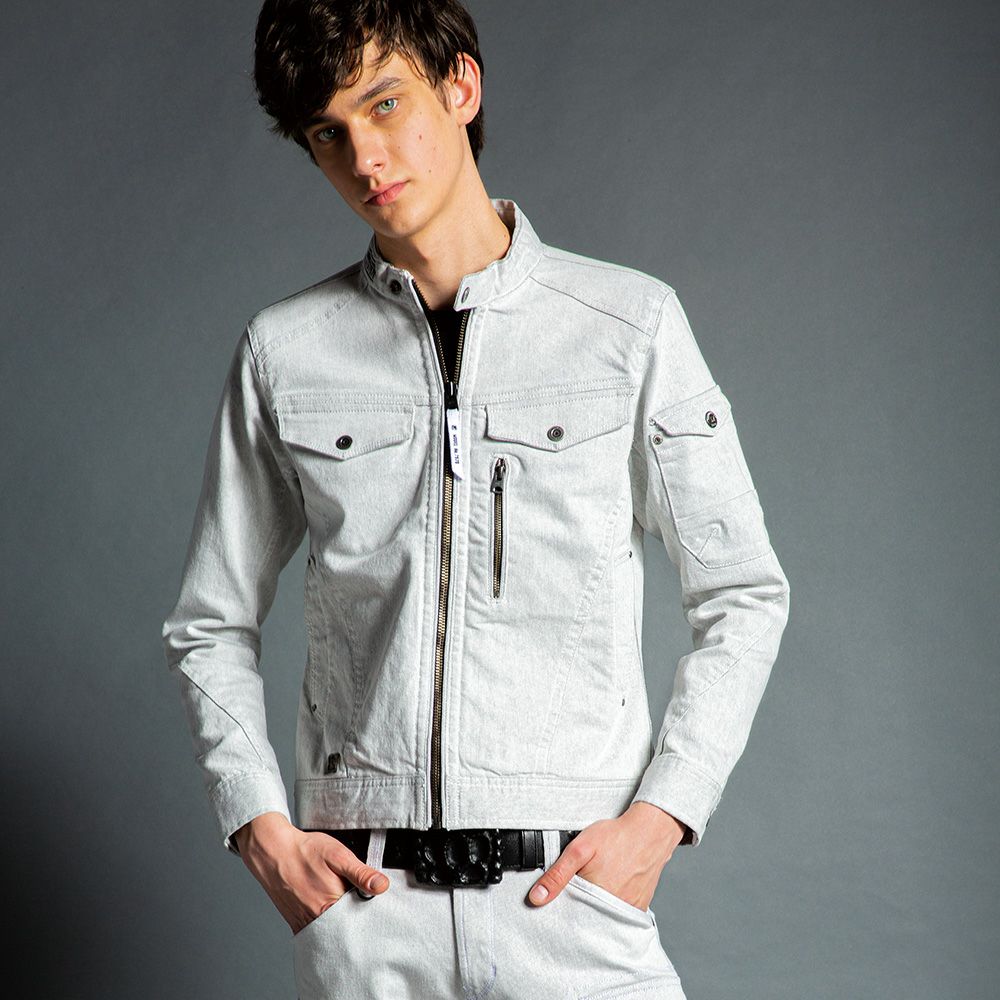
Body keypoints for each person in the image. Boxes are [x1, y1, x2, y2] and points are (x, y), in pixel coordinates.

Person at [160, 1, 791, 997]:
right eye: (328, 132)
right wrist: (258, 827)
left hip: (572, 907)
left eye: (385, 103)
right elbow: (209, 620)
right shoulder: (285, 352)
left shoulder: (628, 327)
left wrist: (663, 815)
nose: (364, 157)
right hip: (368, 919)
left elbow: (743, 592)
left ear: (460, 85)